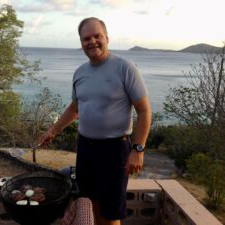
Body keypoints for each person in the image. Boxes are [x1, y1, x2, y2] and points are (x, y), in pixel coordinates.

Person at [38, 17, 152, 225]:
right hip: (86, 148)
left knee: (111, 213)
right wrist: (53, 131)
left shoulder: (125, 68)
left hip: (115, 150)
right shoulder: (80, 72)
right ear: (81, 42)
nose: (92, 42)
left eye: (97, 36)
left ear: (106, 38)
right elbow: (75, 108)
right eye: (86, 38)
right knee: (90, 204)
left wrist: (138, 149)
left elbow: (144, 111)